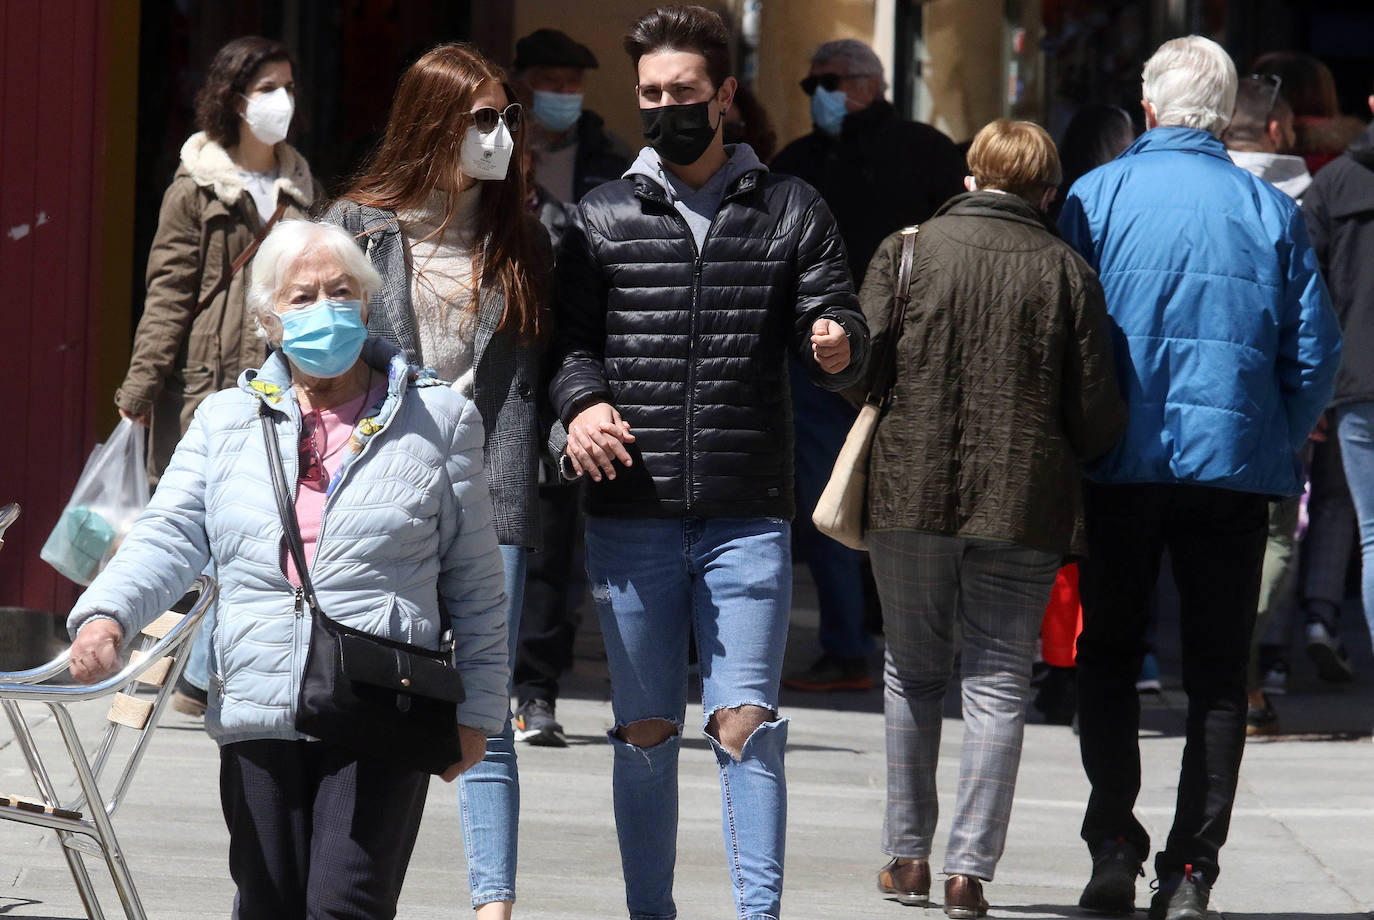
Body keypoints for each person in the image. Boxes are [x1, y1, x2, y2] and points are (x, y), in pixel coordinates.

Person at [66, 219, 508, 919]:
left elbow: (479, 585)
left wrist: (480, 711)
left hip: (381, 701)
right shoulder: (222, 422)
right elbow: (169, 534)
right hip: (259, 695)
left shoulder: (442, 420)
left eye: (341, 292)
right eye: (303, 297)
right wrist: (106, 613)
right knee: (267, 903)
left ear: (368, 305)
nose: (326, 309)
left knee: (344, 905)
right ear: (270, 319)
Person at [549, 6, 870, 917]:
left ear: (724, 96)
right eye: (650, 94)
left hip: (745, 512)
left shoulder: (788, 206)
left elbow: (839, 313)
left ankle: (755, 913)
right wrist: (584, 404)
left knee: (746, 726)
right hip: (630, 515)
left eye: (683, 92)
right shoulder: (606, 212)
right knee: (646, 733)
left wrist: (838, 339)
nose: (665, 108)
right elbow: (571, 345)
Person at [1059, 37, 1341, 919]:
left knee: (1107, 656)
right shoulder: (1268, 211)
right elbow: (1316, 355)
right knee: (1218, 674)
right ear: (1224, 117)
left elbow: (1061, 344)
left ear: (1147, 109)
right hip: (1234, 470)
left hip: (1116, 468)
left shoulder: (1093, 196)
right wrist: (1275, 443)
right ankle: (1190, 871)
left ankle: (1113, 840)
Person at [863, 118, 1126, 917]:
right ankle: (967, 873)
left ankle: (907, 856)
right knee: (999, 680)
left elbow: (856, 368)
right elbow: (1095, 415)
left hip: (907, 493)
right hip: (1022, 500)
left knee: (912, 671)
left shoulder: (906, 250)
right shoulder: (1067, 270)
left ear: (972, 176)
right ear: (1049, 192)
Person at [324, 43, 552, 920]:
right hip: (381, 490)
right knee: (371, 687)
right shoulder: (358, 226)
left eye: (507, 118)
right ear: (433, 124)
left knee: (483, 696)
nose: (500, 134)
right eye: (481, 119)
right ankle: (347, 877)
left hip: (489, 485)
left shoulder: (521, 231)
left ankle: (493, 903)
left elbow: (545, 362)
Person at [113, 35, 322, 718]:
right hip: (210, 380)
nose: (282, 100)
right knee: (203, 526)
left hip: (283, 377)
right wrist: (139, 394)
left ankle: (202, 672)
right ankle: (185, 667)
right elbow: (168, 294)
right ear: (235, 99)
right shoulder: (195, 188)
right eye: (267, 88)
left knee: (264, 525)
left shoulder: (302, 184)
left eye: (288, 85)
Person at [770, 38, 965, 692]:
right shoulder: (798, 160)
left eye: (828, 81)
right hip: (822, 352)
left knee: (905, 499)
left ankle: (887, 638)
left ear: (869, 83)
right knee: (832, 496)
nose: (817, 94)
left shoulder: (924, 150)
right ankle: (849, 642)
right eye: (811, 83)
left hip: (908, 355)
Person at [509, 29, 633, 748]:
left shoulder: (608, 163)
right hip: (492, 378)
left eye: (573, 80)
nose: (562, 93)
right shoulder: (482, 156)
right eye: (548, 79)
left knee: (554, 541)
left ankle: (537, 687)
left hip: (567, 373)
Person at [1223, 74, 1323, 735]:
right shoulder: (1304, 199)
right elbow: (1318, 315)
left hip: (1197, 391)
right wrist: (1310, 404)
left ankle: (1229, 667)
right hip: (1278, 394)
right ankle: (1240, 670)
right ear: (1279, 131)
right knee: (1275, 536)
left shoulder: (1201, 187)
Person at [1303, 77, 1374, 691]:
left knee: (1366, 528)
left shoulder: (1331, 185)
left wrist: (1313, 386)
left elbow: (1309, 294)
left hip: (1356, 380)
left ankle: (1319, 619)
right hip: (1352, 381)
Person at [512, 28, 631, 209]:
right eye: (550, 79)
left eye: (573, 80)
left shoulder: (611, 152)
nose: (564, 89)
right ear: (520, 86)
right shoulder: (503, 148)